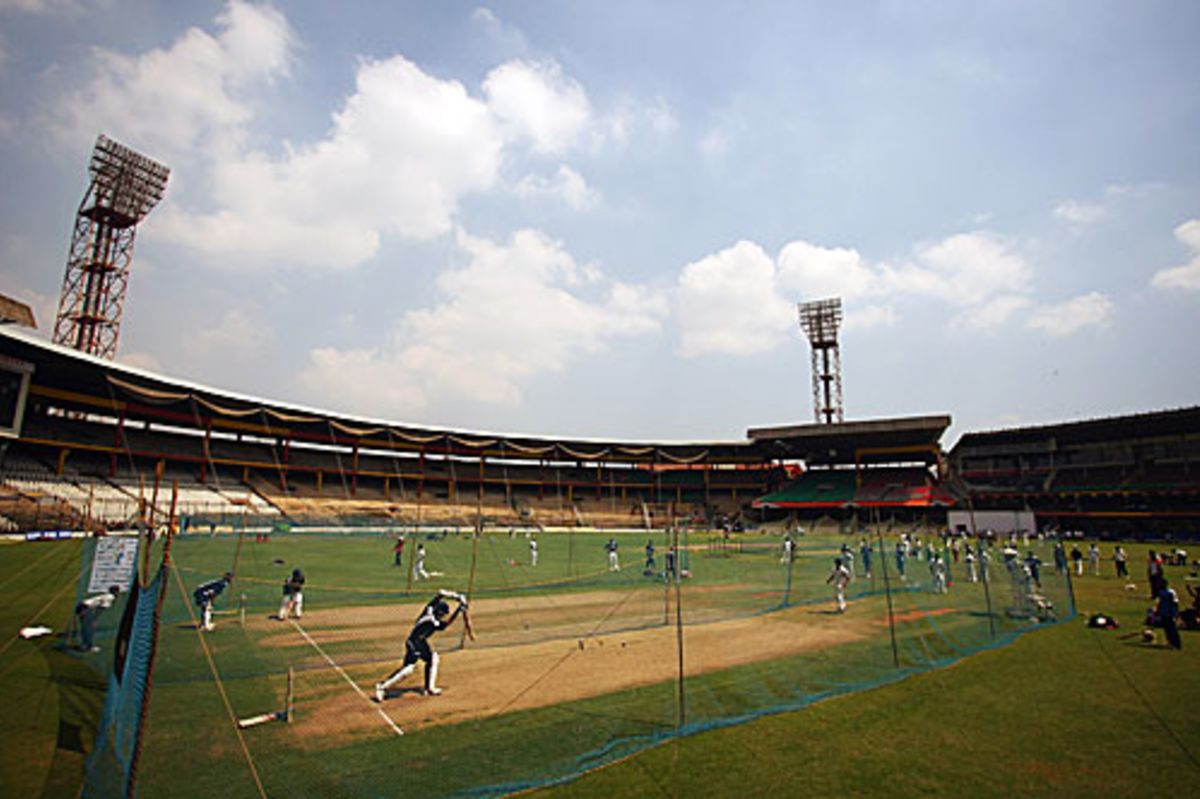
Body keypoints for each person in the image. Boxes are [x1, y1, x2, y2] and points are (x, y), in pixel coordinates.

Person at [375, 590, 467, 700]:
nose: (443, 616)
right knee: (408, 669)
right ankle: (382, 686)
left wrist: (456, 599)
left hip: (421, 642)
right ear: (439, 612)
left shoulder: (430, 608)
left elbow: (440, 595)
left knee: (433, 658)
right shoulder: (431, 619)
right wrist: (458, 606)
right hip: (413, 642)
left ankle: (430, 688)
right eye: (443, 614)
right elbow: (446, 622)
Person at [74, 585, 120, 652]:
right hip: (85, 608)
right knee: (88, 628)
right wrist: (94, 620)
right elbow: (100, 609)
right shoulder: (111, 597)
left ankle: (85, 645)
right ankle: (87, 646)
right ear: (115, 592)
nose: (118, 593)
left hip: (81, 606)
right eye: (117, 591)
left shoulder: (107, 596)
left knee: (86, 628)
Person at [1153, 580, 1182, 650]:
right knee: (1167, 629)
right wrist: (1157, 611)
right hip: (1164, 613)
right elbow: (1160, 603)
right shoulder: (1161, 593)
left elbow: (1175, 603)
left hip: (1170, 613)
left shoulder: (1171, 592)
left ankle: (1177, 644)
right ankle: (1170, 642)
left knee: (1173, 629)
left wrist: (1175, 614)